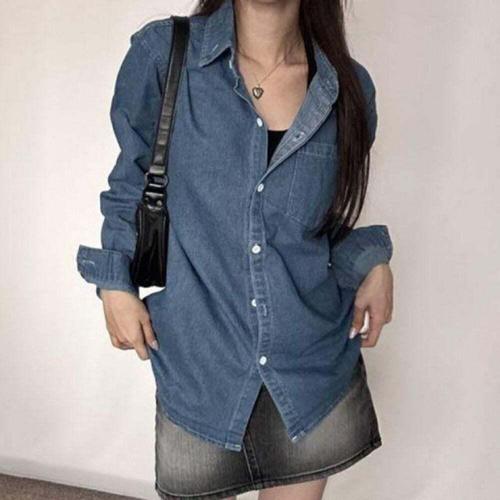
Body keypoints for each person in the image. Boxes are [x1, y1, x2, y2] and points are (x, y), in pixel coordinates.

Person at [76, 0, 394, 498]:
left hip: (309, 370)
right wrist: (115, 284)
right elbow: (130, 184)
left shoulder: (348, 88)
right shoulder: (165, 55)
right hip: (201, 367)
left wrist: (371, 262)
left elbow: (323, 225)